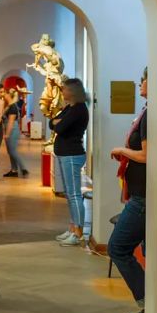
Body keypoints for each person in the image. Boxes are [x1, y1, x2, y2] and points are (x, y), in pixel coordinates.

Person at [108, 67, 148, 313]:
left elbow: (147, 155)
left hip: (143, 198)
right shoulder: (149, 111)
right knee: (148, 253)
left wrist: (123, 150)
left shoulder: (151, 114)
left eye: (143, 79)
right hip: (142, 194)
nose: (139, 84)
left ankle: (148, 306)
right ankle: (151, 310)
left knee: (117, 248)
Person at [50, 78, 89, 246]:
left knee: (74, 195)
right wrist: (57, 122)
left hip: (72, 155)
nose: (62, 92)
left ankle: (78, 232)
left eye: (65, 89)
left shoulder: (78, 110)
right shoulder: (70, 108)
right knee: (69, 194)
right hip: (66, 155)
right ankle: (73, 227)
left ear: (72, 91)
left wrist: (58, 123)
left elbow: (58, 127)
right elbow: (52, 122)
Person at [2, 88, 28, 177]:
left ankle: (23, 168)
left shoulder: (12, 106)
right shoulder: (9, 106)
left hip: (12, 129)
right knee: (10, 151)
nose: (3, 95)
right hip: (9, 129)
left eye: (4, 93)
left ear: (9, 95)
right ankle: (14, 170)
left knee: (12, 151)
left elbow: (11, 122)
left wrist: (7, 134)